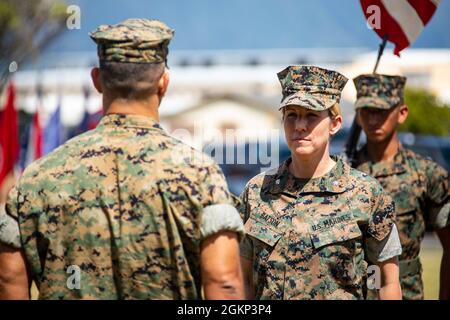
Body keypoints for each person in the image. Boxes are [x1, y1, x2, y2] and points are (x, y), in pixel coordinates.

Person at [0, 18, 245, 300]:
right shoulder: (200, 174)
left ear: (97, 81)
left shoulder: (37, 177)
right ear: (163, 83)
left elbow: (8, 278)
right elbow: (224, 282)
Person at [239, 65, 402, 300]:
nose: (299, 126)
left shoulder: (365, 194)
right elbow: (241, 280)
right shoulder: (257, 191)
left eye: (311, 115)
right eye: (291, 115)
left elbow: (387, 282)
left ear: (335, 123)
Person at [352, 74, 450, 300]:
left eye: (382, 111)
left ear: (402, 113)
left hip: (406, 293)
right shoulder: (344, 173)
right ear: (357, 115)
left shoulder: (427, 174)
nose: (374, 119)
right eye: (366, 110)